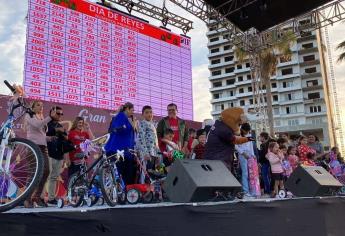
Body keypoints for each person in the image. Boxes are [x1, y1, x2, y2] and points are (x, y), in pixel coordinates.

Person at [24, 101, 55, 207]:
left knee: (46, 171)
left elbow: (41, 134)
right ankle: (27, 199)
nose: (41, 107)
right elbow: (37, 125)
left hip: (43, 148)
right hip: (33, 147)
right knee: (33, 173)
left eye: (42, 106)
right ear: (32, 107)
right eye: (38, 105)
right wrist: (50, 117)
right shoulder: (29, 115)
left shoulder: (41, 118)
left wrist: (49, 138)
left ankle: (36, 197)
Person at [204, 107, 253, 172]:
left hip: (215, 159)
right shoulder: (224, 130)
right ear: (232, 119)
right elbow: (235, 140)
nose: (239, 126)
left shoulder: (219, 126)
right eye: (238, 123)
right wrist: (247, 139)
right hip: (218, 161)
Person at [105, 102, 137, 185]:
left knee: (127, 176)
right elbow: (117, 129)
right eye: (132, 110)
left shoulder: (127, 119)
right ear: (127, 109)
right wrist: (132, 125)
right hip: (117, 151)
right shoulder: (121, 116)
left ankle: (124, 195)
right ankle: (115, 196)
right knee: (117, 176)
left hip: (126, 153)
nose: (133, 112)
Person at [46, 106, 70, 206]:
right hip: (48, 153)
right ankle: (38, 198)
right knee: (45, 176)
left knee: (54, 177)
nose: (60, 115)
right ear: (51, 113)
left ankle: (51, 199)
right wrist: (50, 137)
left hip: (59, 155)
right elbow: (41, 136)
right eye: (58, 113)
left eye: (61, 114)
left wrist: (66, 157)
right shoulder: (46, 124)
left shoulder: (61, 126)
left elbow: (65, 142)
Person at [136, 106, 160, 183]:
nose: (149, 114)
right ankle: (144, 194)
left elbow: (155, 142)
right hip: (147, 155)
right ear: (142, 114)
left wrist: (158, 154)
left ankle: (151, 193)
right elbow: (141, 139)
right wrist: (145, 153)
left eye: (151, 112)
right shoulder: (142, 123)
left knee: (152, 176)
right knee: (146, 176)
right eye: (147, 112)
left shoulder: (153, 125)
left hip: (153, 154)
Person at [235, 123, 257, 197]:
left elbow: (251, 146)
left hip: (250, 155)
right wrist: (243, 153)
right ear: (242, 129)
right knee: (245, 173)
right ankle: (245, 190)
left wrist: (253, 155)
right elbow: (236, 146)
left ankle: (253, 190)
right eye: (246, 131)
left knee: (251, 173)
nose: (247, 132)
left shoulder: (250, 136)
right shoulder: (238, 136)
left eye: (248, 131)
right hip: (243, 155)